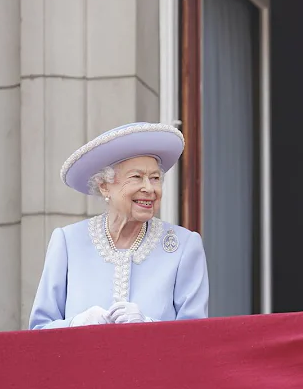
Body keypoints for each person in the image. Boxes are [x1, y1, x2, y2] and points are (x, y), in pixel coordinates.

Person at [29, 122, 210, 329]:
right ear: (105, 186)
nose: (149, 188)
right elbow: (38, 331)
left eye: (155, 178)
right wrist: (76, 324)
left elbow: (196, 337)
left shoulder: (184, 246)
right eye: (136, 177)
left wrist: (149, 326)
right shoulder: (68, 242)